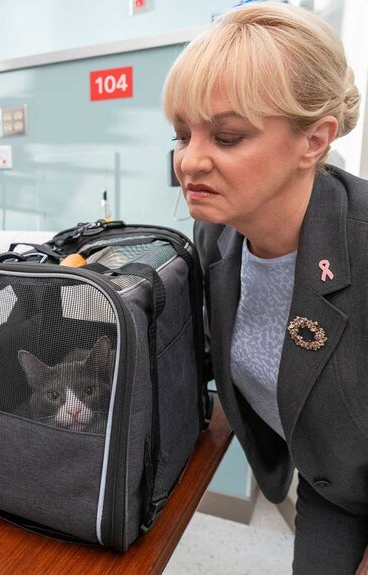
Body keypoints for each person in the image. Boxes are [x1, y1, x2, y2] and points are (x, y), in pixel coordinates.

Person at [162, 4, 367, 573]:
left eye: (227, 136)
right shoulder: (215, 235)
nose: (189, 161)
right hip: (331, 484)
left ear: (314, 141)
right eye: (182, 135)